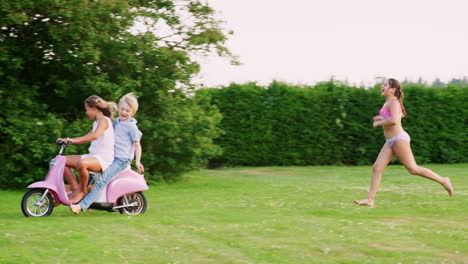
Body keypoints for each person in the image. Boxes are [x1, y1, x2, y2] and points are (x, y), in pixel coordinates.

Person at [354, 78, 453, 207]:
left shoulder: (394, 102)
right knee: (377, 167)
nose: (381, 86)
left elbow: (394, 120)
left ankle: (443, 180)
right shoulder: (388, 102)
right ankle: (370, 199)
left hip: (399, 139)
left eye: (385, 85)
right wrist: (381, 118)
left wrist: (378, 122)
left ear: (392, 89)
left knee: (413, 169)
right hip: (390, 141)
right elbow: (397, 116)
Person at [70, 93, 144, 214]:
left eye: (128, 111)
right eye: (122, 109)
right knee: (90, 173)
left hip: (121, 160)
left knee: (102, 181)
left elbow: (137, 145)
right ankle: (84, 197)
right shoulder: (116, 123)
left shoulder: (131, 127)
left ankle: (81, 206)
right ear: (119, 108)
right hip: (111, 157)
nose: (124, 112)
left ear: (133, 112)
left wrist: (138, 161)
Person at [57, 95, 117, 204]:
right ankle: (76, 189)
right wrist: (68, 140)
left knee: (82, 163)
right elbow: (85, 138)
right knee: (61, 160)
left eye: (87, 110)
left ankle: (83, 191)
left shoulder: (104, 120)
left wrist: (72, 140)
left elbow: (94, 136)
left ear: (94, 108)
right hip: (93, 156)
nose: (86, 113)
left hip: (103, 159)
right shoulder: (96, 123)